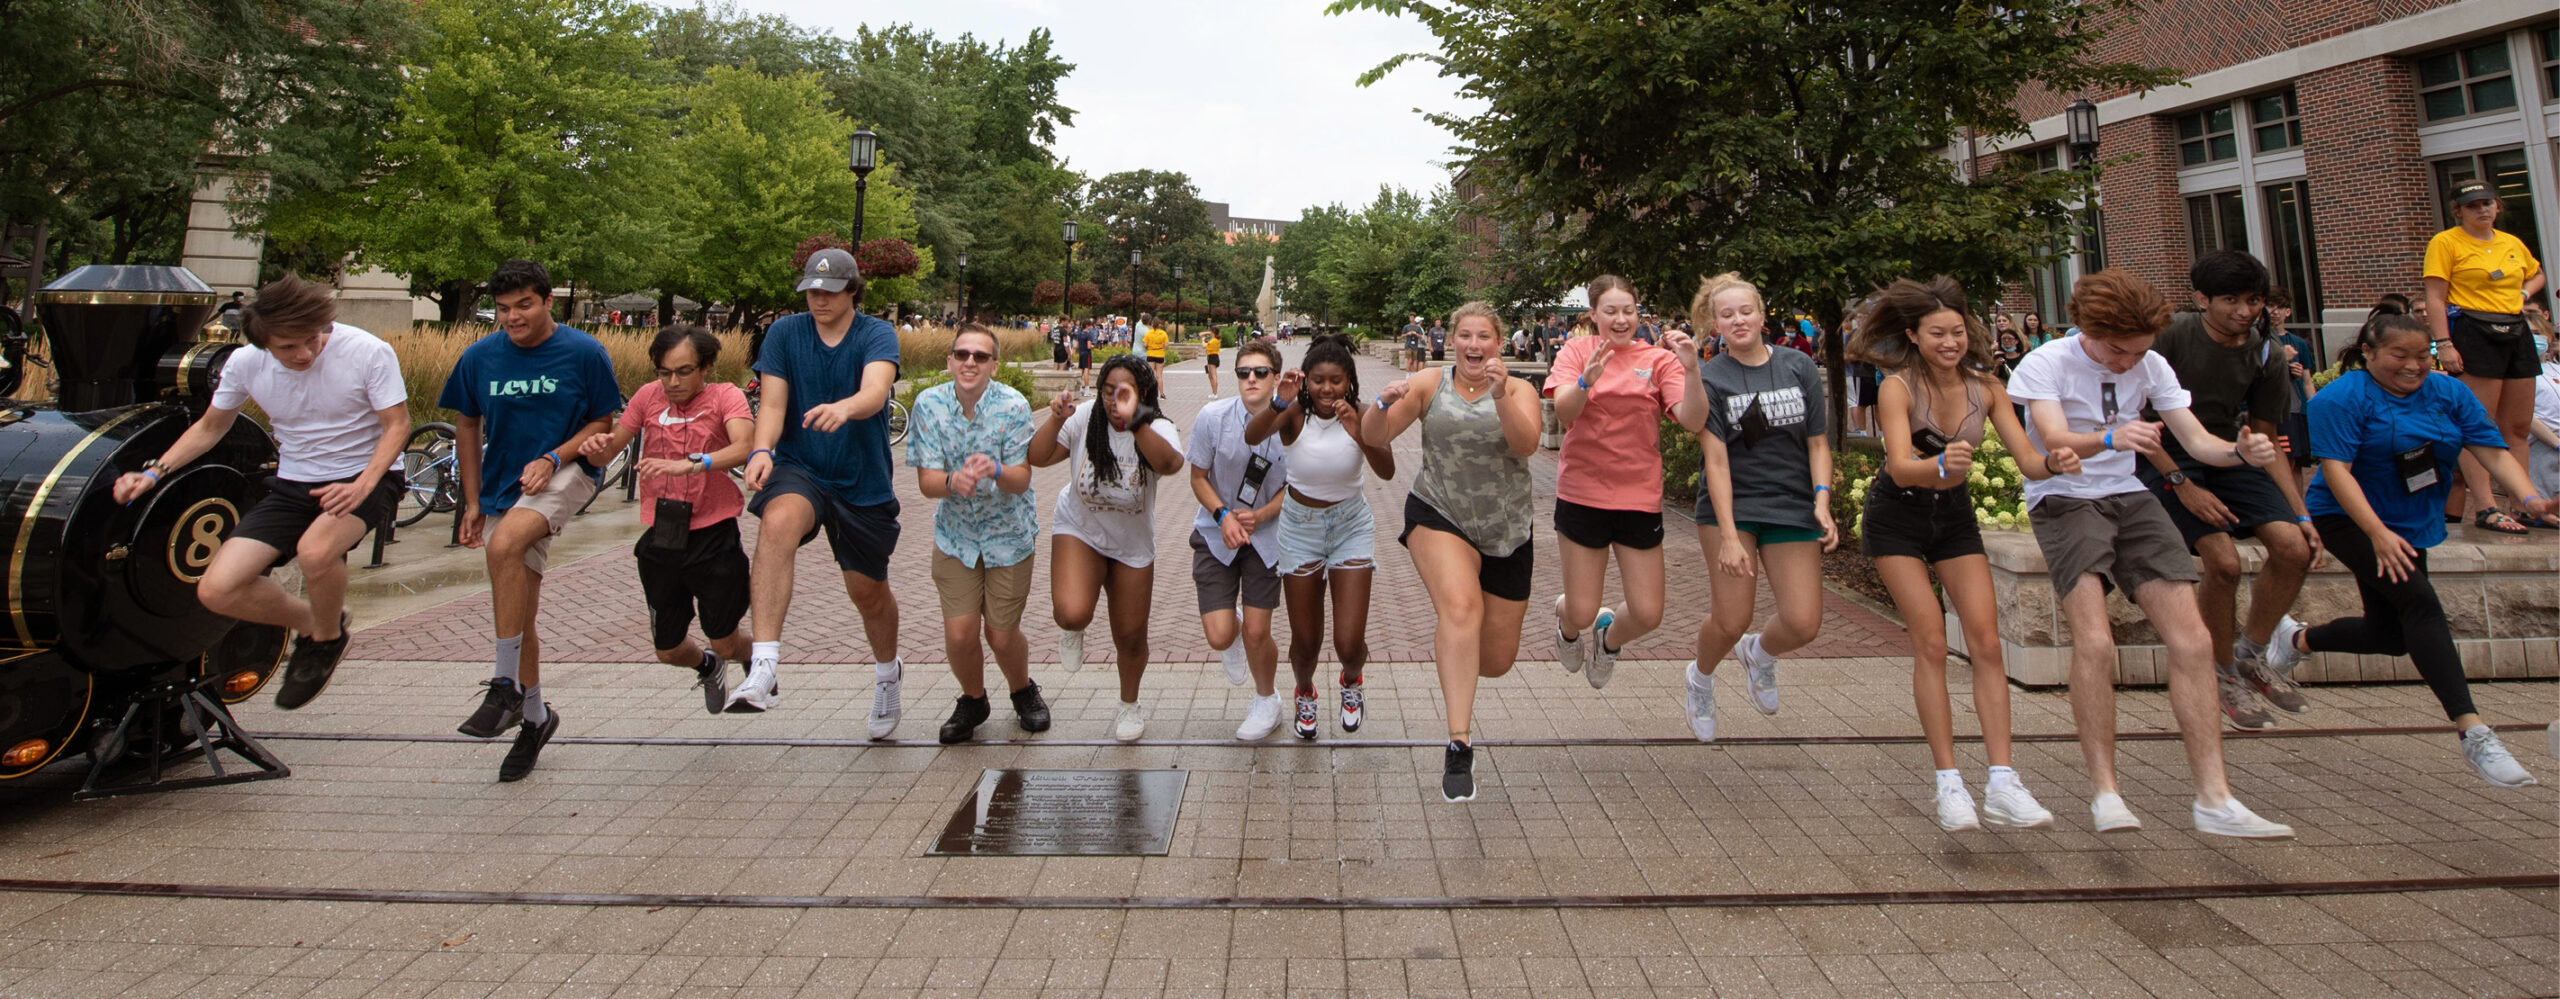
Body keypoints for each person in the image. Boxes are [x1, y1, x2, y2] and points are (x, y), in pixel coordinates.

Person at [2007, 269, 2298, 838]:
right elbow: (2055, 437)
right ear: (2087, 329)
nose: (2125, 363)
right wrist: (2113, 438)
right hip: (2065, 499)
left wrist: (2240, 451)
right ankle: (2105, 793)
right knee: (2095, 641)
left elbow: (2197, 443)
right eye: (2117, 351)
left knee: (2192, 640)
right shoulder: (2046, 362)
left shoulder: (2151, 363)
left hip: (2130, 496)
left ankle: (2215, 799)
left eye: (2136, 353)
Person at [2272, 314, 2553, 785]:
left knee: (2393, 636)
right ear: (2369, 353)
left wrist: (2530, 499)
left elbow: (2492, 449)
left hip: (2410, 519)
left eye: (2422, 356)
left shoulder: (2449, 392)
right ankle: (2474, 732)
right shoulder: (2343, 398)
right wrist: (2377, 534)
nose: (2413, 366)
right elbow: (2337, 472)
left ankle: (2297, 639)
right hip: (2347, 517)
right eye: (2399, 356)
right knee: (2421, 604)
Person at [112, 274, 407, 711]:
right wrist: (153, 473)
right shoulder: (244, 363)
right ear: (263, 343)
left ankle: (323, 642)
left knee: (316, 551)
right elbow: (211, 428)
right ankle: (322, 623)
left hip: (367, 475)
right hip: (294, 482)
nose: (305, 353)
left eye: (313, 339)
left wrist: (361, 485)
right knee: (217, 589)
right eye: (289, 347)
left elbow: (397, 425)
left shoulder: (366, 351)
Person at [1842, 277, 2071, 831]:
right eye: (1937, 334)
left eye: (1957, 333)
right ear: (1913, 336)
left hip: (1954, 519)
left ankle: (2002, 780)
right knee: (1930, 641)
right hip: (1897, 515)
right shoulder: (1897, 387)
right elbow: (1899, 464)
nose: (1950, 342)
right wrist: (1940, 466)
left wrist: (2055, 460)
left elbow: (2027, 460)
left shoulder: (1987, 387)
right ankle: (1948, 783)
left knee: (1987, 643)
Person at [440, 260, 623, 781]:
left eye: (524, 305)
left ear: (547, 301)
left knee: (505, 549)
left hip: (567, 472)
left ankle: (504, 688)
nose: (513, 316)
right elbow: (467, 426)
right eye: (503, 308)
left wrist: (552, 457)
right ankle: (536, 717)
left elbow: (603, 421)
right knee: (519, 613)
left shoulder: (583, 352)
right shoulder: (479, 357)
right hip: (506, 486)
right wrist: (472, 503)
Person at [2130, 251, 2317, 732]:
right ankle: (2222, 672)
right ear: (2202, 299)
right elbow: (2134, 419)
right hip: (2162, 453)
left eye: (2253, 300)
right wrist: (2181, 484)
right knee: (2225, 562)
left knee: (2294, 551)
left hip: (2231, 451)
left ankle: (2252, 653)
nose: (2243, 311)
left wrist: (2301, 514)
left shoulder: (2266, 352)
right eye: (2230, 300)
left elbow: (2267, 438)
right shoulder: (2169, 339)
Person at [1370, 303, 1540, 801]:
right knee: (1462, 609)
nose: (1473, 344)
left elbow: (1527, 444)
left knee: (1496, 660)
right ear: (1450, 339)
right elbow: (1373, 436)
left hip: (1507, 527)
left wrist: (1502, 394)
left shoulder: (1521, 389)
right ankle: (1459, 742)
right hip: (1439, 512)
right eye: (1464, 334)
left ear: (1498, 342)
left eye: (1483, 336)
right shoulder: (1428, 383)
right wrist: (1381, 403)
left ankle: (1456, 646)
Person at [735, 248, 907, 738]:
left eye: (830, 291)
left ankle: (887, 672)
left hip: (861, 478)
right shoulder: (785, 333)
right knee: (778, 522)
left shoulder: (876, 333)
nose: (819, 300)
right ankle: (764, 666)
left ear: (853, 291)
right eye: (812, 290)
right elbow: (771, 401)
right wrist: (762, 449)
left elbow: (877, 390)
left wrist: (846, 407)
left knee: (867, 592)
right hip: (801, 465)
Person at [1671, 273, 1830, 740]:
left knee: (1803, 622)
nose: (1738, 320)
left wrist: (1822, 501)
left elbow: (1818, 443)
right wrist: (1726, 535)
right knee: (1731, 618)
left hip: (1792, 503)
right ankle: (1700, 678)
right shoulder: (1712, 376)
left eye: (1746, 311)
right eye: (1727, 314)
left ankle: (1759, 654)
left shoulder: (1796, 366)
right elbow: (1715, 461)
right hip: (1732, 508)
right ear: (1715, 323)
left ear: (1762, 314)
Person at [571, 324, 752, 714]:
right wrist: (596, 448)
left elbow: (745, 447)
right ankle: (707, 666)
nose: (672, 382)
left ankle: (758, 662)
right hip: (663, 535)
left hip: (714, 535)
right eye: (664, 372)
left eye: (683, 371)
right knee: (667, 650)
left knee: (724, 639)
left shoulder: (726, 396)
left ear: (705, 368)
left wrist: (691, 465)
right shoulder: (647, 398)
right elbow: (610, 450)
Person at [1247, 334, 1397, 738]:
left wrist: (1360, 432)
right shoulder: (1295, 413)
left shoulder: (1362, 413)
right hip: (1300, 528)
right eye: (1318, 380)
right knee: (1306, 642)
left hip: (1350, 525)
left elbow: (1387, 471)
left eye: (1335, 380)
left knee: (1349, 643)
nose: (1327, 389)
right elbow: (1253, 436)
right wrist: (1280, 399)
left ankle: (1352, 681)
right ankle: (1305, 691)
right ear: (1306, 381)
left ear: (1349, 380)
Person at [907, 323, 1051, 743]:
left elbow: (1023, 478)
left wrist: (996, 470)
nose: (970, 362)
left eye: (981, 356)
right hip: (956, 536)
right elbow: (927, 481)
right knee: (960, 632)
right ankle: (973, 698)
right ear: (950, 360)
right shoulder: (928, 405)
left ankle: (1023, 689)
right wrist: (954, 482)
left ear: (994, 365)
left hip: (1009, 535)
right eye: (963, 354)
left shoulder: (1013, 405)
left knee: (1001, 635)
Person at [1030, 354, 1183, 741]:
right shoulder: (1085, 418)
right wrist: (1056, 419)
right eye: (1108, 391)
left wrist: (1135, 422)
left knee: (1130, 634)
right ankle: (1074, 628)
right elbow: (1038, 457)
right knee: (1071, 611)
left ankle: (1128, 705)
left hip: (1132, 543)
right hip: (1079, 527)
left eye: (1125, 392)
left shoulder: (1158, 426)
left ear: (1143, 392)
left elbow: (1170, 464)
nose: (1115, 400)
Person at [1544, 276, 1685, 688]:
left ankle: (1608, 639)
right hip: (1583, 493)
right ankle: (1569, 625)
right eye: (1611, 311)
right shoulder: (1576, 350)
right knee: (1581, 610)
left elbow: (1692, 418)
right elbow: (1564, 410)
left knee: (1647, 613)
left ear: (1638, 312)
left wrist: (1691, 370)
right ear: (1594, 314)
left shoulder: (1659, 359)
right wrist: (1586, 380)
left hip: (1638, 497)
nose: (1621, 319)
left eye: (1629, 310)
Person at [2426, 180, 2547, 536]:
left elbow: (2536, 273)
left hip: (2516, 329)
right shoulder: (2446, 242)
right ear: (2458, 211)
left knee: (2518, 427)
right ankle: (2486, 506)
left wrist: (2525, 291)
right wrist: (2443, 343)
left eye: (2488, 203)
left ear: (2498, 206)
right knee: (2480, 424)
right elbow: (2434, 296)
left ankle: (2523, 503)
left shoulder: (2511, 242)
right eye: (2473, 205)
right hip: (2473, 329)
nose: (2482, 210)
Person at [1187, 339, 1288, 739]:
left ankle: (1268, 700)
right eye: (1243, 372)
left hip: (1267, 537)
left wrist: (1260, 515)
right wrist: (1222, 514)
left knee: (1258, 633)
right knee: (1219, 635)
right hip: (1216, 534)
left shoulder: (1292, 423)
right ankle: (1233, 629)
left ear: (1276, 378)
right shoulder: (1213, 417)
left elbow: (1296, 485)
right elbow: (1197, 477)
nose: (1251, 379)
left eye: (1260, 372)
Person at [1141, 315, 1170, 387]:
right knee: (1159, 376)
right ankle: (1162, 393)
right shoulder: (1163, 333)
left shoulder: (1148, 333)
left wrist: (1149, 347)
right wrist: (1161, 345)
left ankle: (1151, 393)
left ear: (1152, 324)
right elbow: (1166, 345)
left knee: (1151, 374)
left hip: (1151, 353)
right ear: (1159, 325)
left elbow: (1144, 344)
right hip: (1160, 354)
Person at [1200, 326, 1224, 397]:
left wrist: (1203, 340)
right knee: (1210, 376)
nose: (1210, 333)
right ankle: (1213, 392)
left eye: (1211, 332)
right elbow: (1201, 333)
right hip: (1214, 357)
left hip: (1212, 358)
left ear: (1213, 333)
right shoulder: (1217, 339)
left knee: (1213, 375)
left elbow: (1204, 346)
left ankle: (1215, 393)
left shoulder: (1213, 341)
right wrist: (1209, 332)